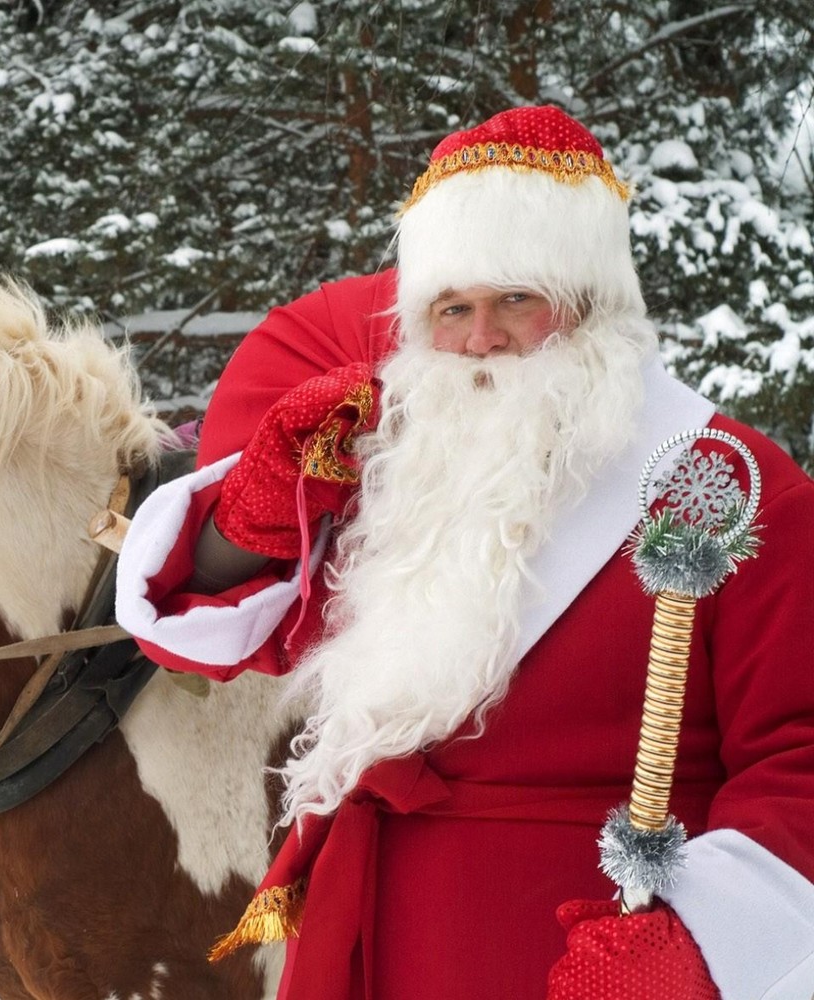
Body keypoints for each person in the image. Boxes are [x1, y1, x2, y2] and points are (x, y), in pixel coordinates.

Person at [115, 106, 814, 1000]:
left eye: (516, 299)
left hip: (585, 962)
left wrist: (701, 942)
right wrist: (247, 515)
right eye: (453, 308)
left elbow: (800, 758)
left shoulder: (729, 485)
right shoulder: (400, 479)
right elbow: (197, 636)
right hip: (363, 948)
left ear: (592, 302)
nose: (481, 339)